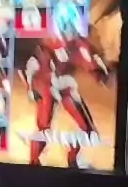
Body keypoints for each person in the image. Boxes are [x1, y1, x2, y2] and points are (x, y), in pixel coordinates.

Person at [21, 34, 108, 168]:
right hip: (47, 86)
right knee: (44, 130)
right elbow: (32, 66)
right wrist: (32, 87)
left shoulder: (76, 43)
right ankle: (34, 163)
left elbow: (90, 59)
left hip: (64, 85)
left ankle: (71, 159)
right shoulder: (48, 44)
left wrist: (98, 71)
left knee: (88, 130)